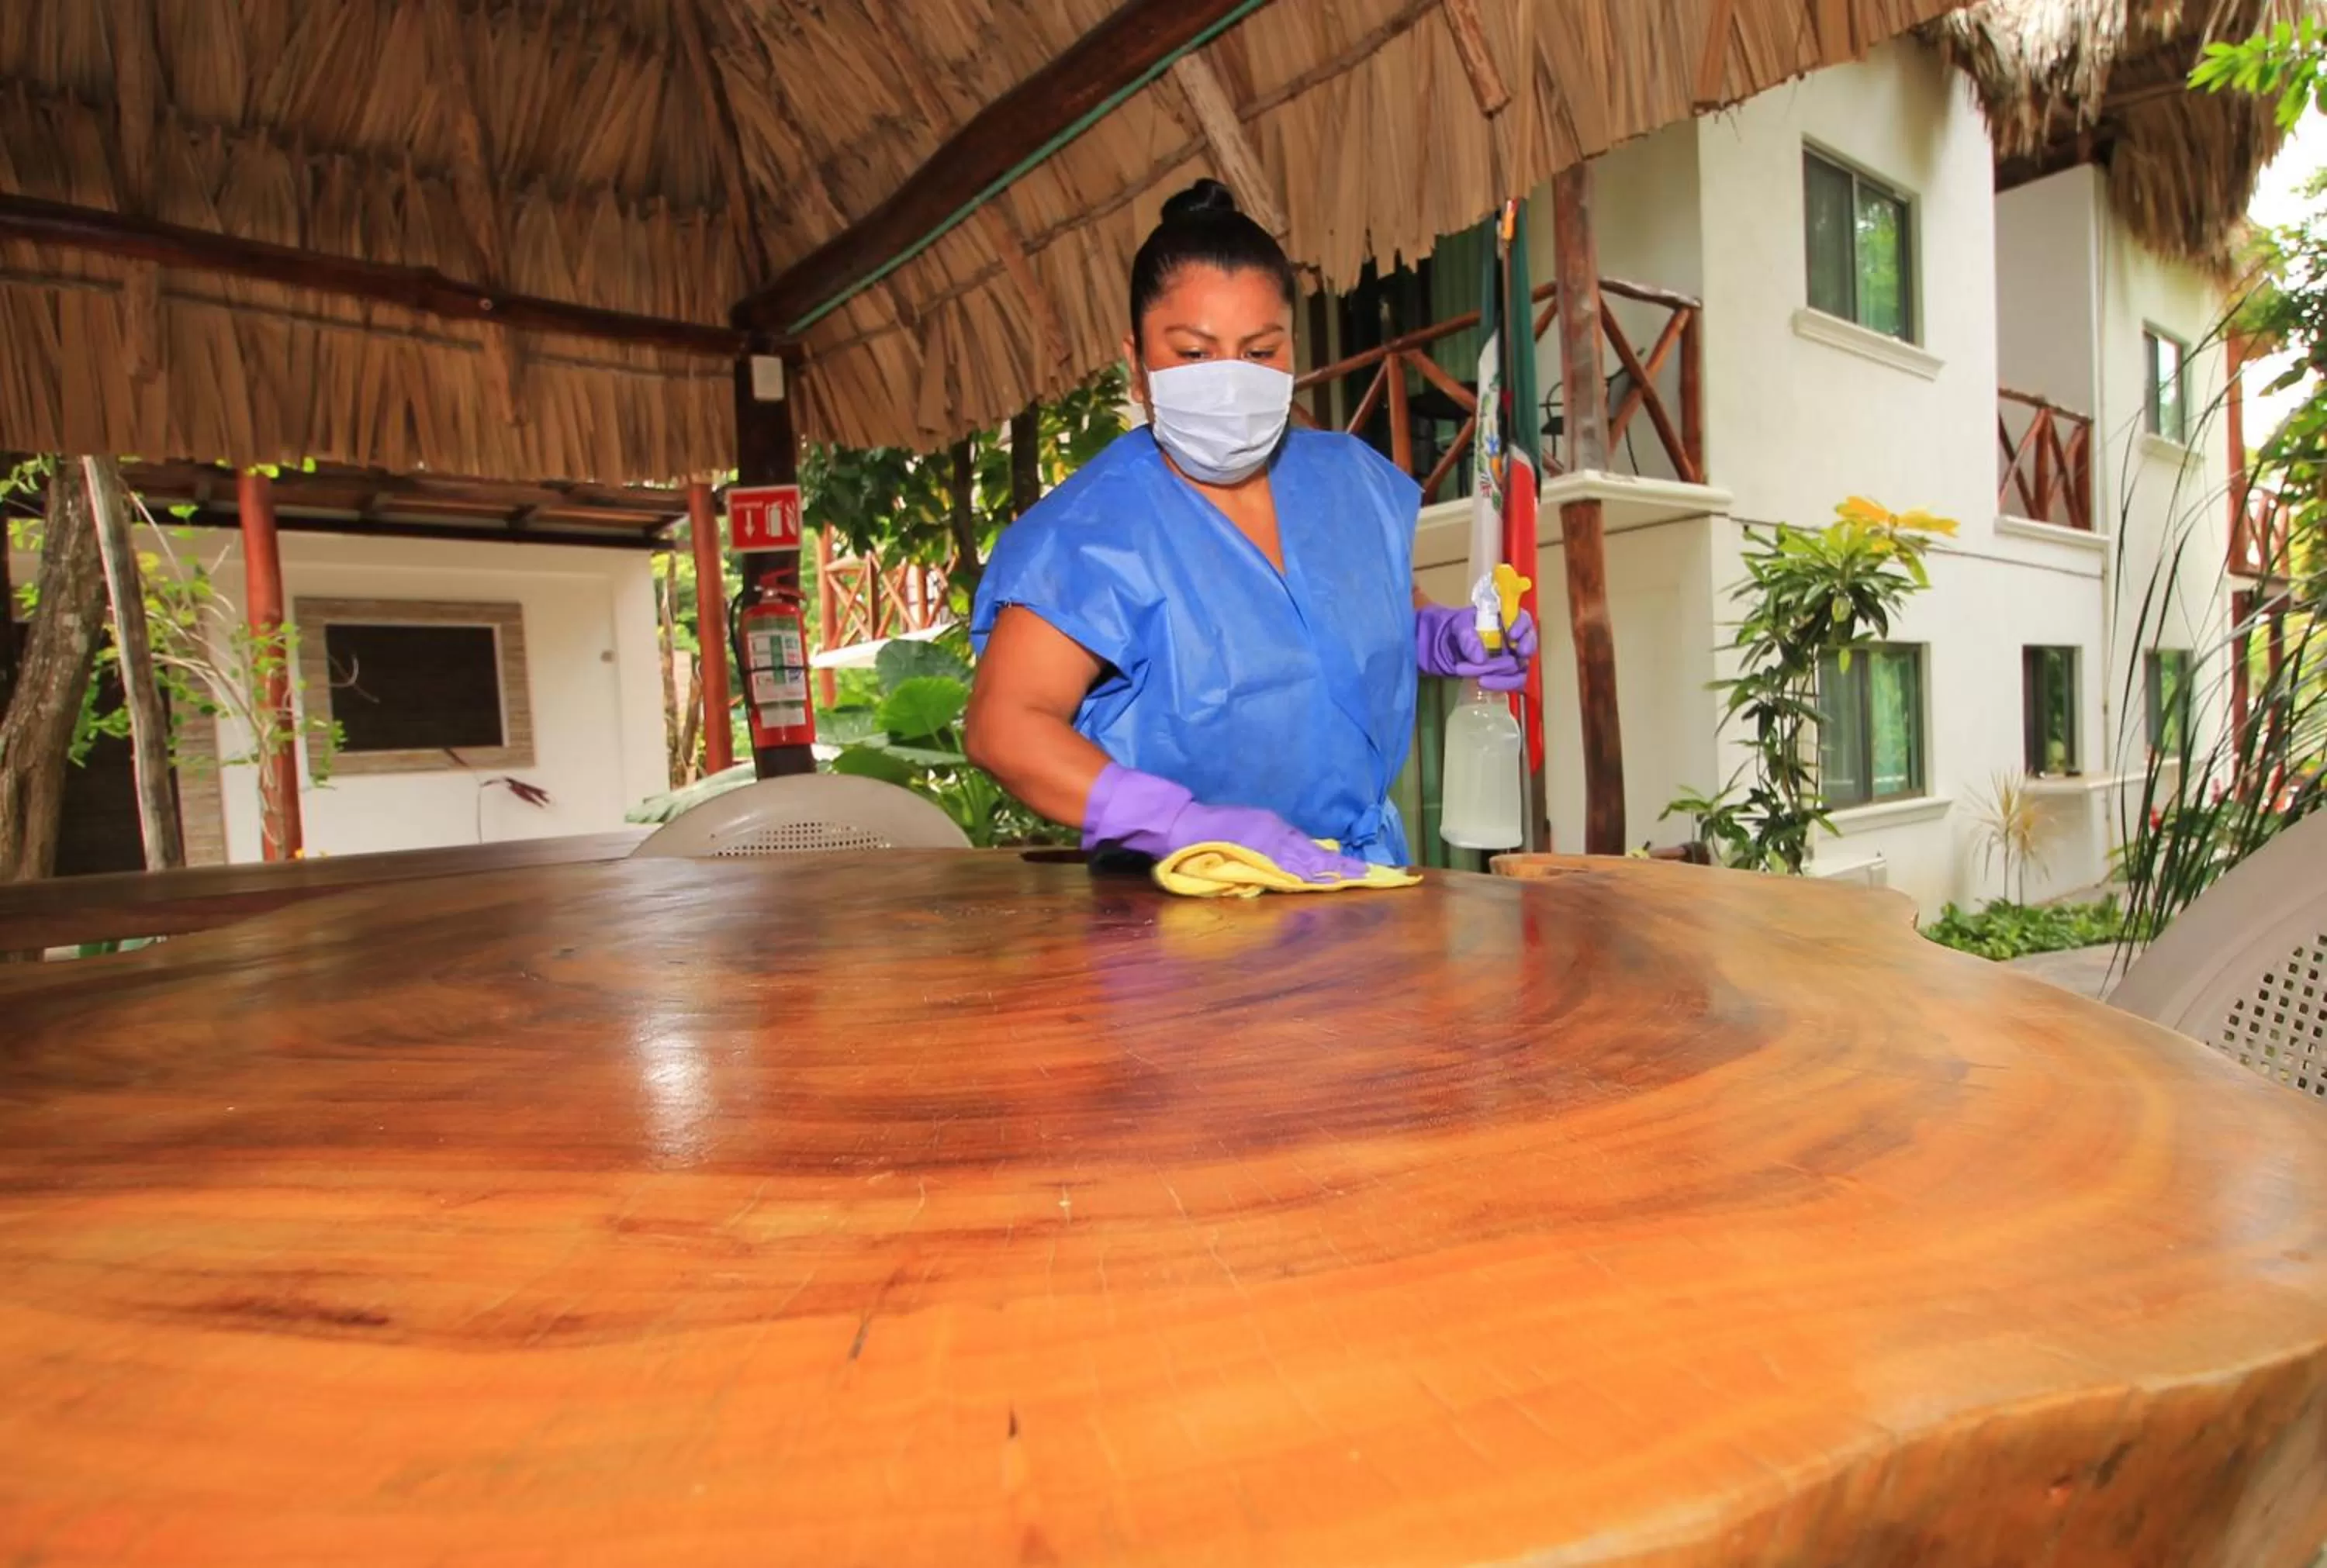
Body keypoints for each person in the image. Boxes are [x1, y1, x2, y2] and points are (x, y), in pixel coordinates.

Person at [966, 178, 1537, 882]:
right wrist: (1185, 826)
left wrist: (1447, 638)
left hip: (1358, 887)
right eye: (1194, 354)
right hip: (1179, 909)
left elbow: (1366, 619)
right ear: (1136, 362)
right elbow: (1005, 726)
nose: (1230, 382)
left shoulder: (1343, 482)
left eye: (1260, 352)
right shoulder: (1092, 532)